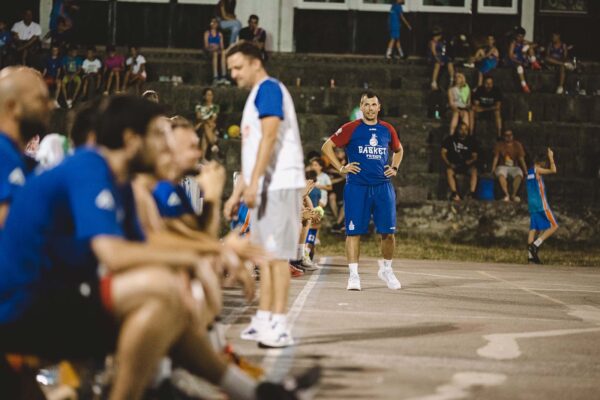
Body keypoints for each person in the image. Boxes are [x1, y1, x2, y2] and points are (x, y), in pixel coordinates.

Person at [0, 95, 320, 400]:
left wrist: (210, 251)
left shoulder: (119, 181)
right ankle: (143, 387)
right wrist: (206, 251)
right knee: (162, 288)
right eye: (157, 135)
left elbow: (148, 242)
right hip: (22, 305)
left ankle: (251, 392)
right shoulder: (91, 167)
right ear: (131, 139)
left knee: (168, 296)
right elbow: (113, 252)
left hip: (56, 294)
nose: (166, 145)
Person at [225, 42, 306, 348]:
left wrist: (255, 183)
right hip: (266, 185)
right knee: (264, 255)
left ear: (255, 63)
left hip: (280, 183)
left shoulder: (269, 89)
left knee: (277, 257)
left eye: (237, 67)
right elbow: (253, 149)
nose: (233, 74)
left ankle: (280, 323)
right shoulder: (254, 98)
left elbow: (270, 136)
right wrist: (237, 192)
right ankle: (264, 318)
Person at [321, 90, 404, 291]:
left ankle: (386, 269)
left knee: (388, 233)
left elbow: (399, 150)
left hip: (383, 186)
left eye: (373, 104)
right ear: (361, 107)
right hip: (357, 187)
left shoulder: (387, 129)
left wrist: (394, 167)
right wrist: (341, 167)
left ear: (379, 107)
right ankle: (354, 275)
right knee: (353, 232)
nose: (370, 108)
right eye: (366, 105)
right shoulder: (351, 128)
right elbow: (327, 146)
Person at [0, 67, 51, 229]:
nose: (50, 106)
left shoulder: (22, 159)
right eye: (40, 99)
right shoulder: (2, 152)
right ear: (12, 107)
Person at [526, 148, 558, 264]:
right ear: (541, 162)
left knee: (534, 228)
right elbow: (553, 170)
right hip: (540, 203)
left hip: (532, 204)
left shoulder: (529, 172)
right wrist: (551, 157)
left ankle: (530, 257)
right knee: (554, 225)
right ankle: (535, 245)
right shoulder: (537, 170)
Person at [440, 121, 478, 201]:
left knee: (474, 171)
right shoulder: (450, 139)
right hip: (454, 164)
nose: (463, 131)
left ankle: (471, 193)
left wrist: (469, 162)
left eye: (465, 130)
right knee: (449, 171)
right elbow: (443, 153)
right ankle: (454, 193)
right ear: (457, 130)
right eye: (461, 129)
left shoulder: (471, 141)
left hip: (466, 165)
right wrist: (449, 163)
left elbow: (475, 156)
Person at [491, 129, 527, 202]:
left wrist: (525, 171)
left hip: (514, 166)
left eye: (510, 135)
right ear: (504, 137)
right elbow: (496, 158)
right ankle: (506, 194)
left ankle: (513, 194)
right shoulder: (499, 145)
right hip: (502, 166)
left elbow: (521, 159)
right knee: (501, 174)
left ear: (512, 136)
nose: (508, 137)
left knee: (519, 173)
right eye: (506, 135)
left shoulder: (517, 145)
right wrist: (493, 169)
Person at [507, 27, 539, 94]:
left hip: (523, 59)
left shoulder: (523, 41)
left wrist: (527, 47)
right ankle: (524, 85)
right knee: (520, 67)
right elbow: (510, 56)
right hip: (515, 61)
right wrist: (519, 61)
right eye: (519, 36)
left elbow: (535, 44)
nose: (520, 38)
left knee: (529, 48)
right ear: (516, 36)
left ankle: (534, 62)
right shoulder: (513, 42)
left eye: (522, 36)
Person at [326, 147, 347, 232]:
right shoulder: (332, 164)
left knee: (347, 201)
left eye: (340, 152)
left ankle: (337, 224)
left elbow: (347, 176)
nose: (338, 154)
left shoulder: (348, 163)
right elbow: (329, 181)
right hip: (334, 189)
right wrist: (342, 176)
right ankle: (339, 222)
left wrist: (337, 172)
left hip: (346, 188)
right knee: (331, 197)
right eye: (336, 152)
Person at [204, 18, 228, 86]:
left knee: (223, 53)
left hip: (217, 50)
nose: (214, 24)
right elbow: (206, 45)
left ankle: (224, 76)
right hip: (210, 51)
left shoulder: (219, 34)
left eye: (215, 22)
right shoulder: (207, 33)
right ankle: (215, 77)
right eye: (212, 22)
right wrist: (212, 47)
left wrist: (218, 48)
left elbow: (222, 46)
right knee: (215, 54)